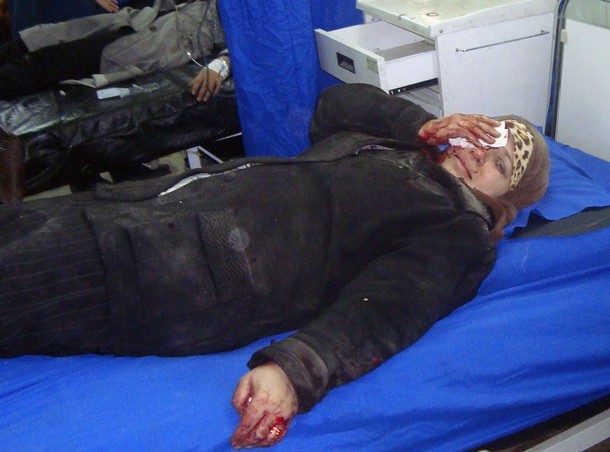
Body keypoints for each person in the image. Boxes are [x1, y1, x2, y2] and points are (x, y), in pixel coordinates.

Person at [0, 83, 550, 449]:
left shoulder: (459, 229)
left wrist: (298, 369)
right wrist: (421, 124)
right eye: (484, 137)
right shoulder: (398, 150)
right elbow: (332, 106)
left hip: (165, 272)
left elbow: (392, 305)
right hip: (138, 210)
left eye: (499, 164)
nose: (478, 153)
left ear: (509, 197)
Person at [0, 0, 229, 102]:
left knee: (47, 62)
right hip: (151, 13)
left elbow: (250, 44)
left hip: (174, 39)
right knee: (37, 38)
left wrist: (221, 65)